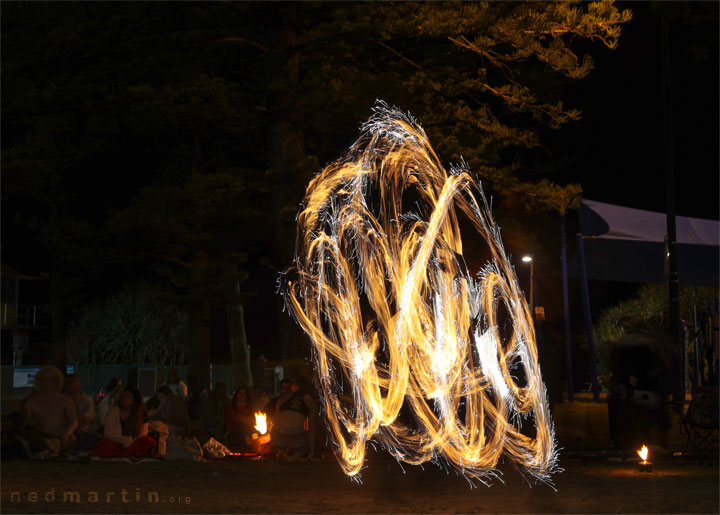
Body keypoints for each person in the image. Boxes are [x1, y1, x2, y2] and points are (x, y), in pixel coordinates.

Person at [20, 367, 78, 454]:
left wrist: (67, 433)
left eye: (51, 379)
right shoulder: (32, 401)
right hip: (42, 437)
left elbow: (73, 420)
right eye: (44, 379)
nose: (47, 382)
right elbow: (24, 423)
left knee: (71, 439)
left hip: (61, 437)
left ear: (57, 381)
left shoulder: (65, 400)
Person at [91, 387, 156, 459]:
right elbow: (108, 433)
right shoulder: (113, 412)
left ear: (134, 400)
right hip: (116, 443)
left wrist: (131, 441)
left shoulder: (141, 414)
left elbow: (143, 433)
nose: (124, 398)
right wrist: (124, 440)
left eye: (127, 396)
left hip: (133, 444)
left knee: (146, 441)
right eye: (123, 396)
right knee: (105, 444)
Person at [271, 378, 318, 461]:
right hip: (296, 437)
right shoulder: (310, 401)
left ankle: (280, 451)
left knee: (273, 429)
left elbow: (275, 420)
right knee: (309, 438)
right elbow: (312, 430)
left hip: (278, 436)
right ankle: (294, 456)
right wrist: (312, 454)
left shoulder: (283, 398)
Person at [64, 373, 97, 450]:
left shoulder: (86, 399)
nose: (76, 385)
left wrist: (75, 417)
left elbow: (91, 415)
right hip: (65, 428)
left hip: (82, 429)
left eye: (78, 382)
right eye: (73, 382)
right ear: (66, 384)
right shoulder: (61, 399)